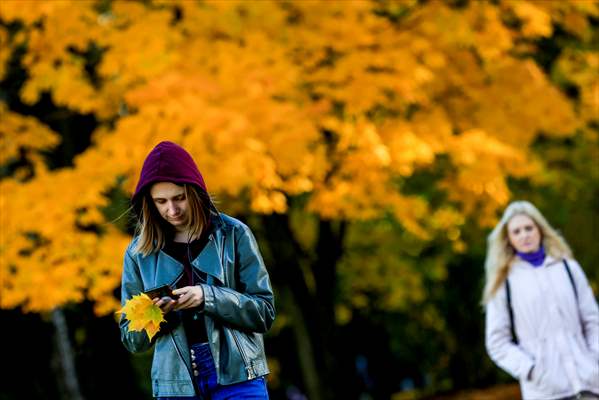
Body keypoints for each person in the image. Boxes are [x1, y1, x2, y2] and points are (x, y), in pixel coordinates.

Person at [119, 141, 275, 399]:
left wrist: (208, 297)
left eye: (179, 198)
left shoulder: (234, 234)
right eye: (161, 201)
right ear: (150, 203)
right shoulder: (138, 253)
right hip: (175, 384)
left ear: (194, 192)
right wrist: (155, 313)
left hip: (238, 376)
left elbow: (264, 312)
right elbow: (131, 340)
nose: (172, 210)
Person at [484, 200, 599, 400]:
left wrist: (594, 358)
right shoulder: (504, 283)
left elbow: (592, 320)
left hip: (588, 382)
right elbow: (497, 342)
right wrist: (532, 371)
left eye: (529, 228)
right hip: (545, 392)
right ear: (508, 239)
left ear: (540, 230)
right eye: (517, 231)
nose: (524, 235)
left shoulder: (567, 267)